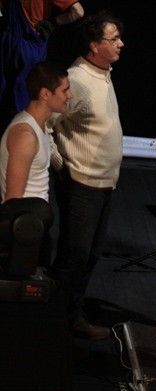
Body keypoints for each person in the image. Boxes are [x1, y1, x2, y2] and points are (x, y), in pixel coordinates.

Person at [49, 11, 124, 340]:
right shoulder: (77, 80)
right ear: (94, 45)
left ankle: (69, 316)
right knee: (74, 256)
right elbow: (46, 122)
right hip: (82, 184)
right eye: (113, 39)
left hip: (103, 183)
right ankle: (57, 323)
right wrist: (60, 163)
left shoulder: (102, 73)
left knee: (90, 255)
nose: (121, 43)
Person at [0, 61, 70, 265]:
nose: (70, 95)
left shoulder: (40, 127)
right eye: (65, 90)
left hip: (35, 227)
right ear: (45, 94)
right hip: (23, 233)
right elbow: (12, 200)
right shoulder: (25, 135)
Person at [0, 0, 83, 132]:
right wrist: (53, 22)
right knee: (22, 104)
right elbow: (78, 11)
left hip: (12, 42)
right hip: (27, 45)